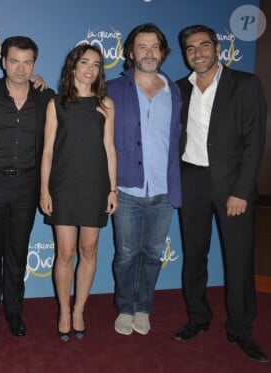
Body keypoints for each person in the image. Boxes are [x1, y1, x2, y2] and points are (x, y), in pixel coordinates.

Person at [175, 25, 267, 363]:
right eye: (190, 48)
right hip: (191, 182)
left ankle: (240, 330)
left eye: (203, 45)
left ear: (217, 47)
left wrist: (241, 190)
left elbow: (254, 141)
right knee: (194, 256)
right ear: (184, 53)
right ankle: (198, 317)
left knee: (239, 260)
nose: (197, 52)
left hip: (232, 188)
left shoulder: (245, 84)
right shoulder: (179, 89)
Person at [0, 36, 55, 343]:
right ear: (2, 61)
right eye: (14, 61)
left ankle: (14, 311)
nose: (21, 68)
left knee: (17, 253)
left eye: (27, 62)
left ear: (34, 64)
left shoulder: (46, 97)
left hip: (27, 185)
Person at [107, 23, 182, 336]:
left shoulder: (175, 90)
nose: (149, 52)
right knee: (126, 255)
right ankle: (125, 307)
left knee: (152, 254)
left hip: (164, 190)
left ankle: (143, 307)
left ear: (162, 52)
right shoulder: (112, 88)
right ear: (130, 52)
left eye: (155, 46)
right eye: (142, 46)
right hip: (125, 188)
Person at [40, 44, 117, 342]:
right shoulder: (56, 104)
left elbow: (110, 150)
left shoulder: (106, 104)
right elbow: (47, 151)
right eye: (85, 62)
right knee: (66, 252)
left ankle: (79, 310)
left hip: (96, 185)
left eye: (96, 64)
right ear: (73, 66)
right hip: (63, 185)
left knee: (89, 250)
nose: (90, 69)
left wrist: (113, 189)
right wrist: (44, 189)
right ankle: (63, 310)